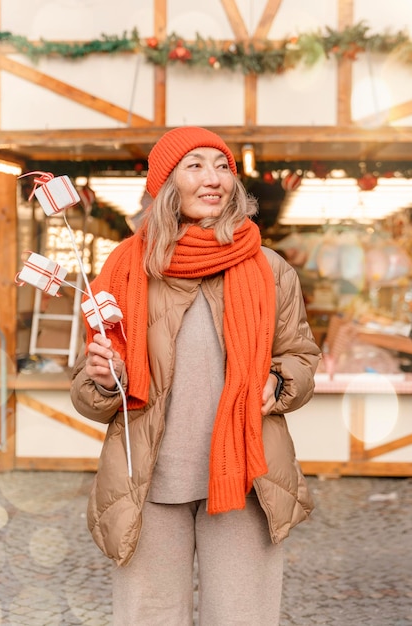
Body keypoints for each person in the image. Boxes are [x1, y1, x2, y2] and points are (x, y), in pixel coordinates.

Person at [70, 126, 321, 626]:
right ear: (167, 184)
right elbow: (88, 390)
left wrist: (279, 380)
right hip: (149, 482)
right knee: (150, 618)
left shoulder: (270, 269)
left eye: (223, 165)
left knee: (243, 618)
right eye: (196, 165)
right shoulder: (124, 269)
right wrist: (103, 376)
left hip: (244, 478)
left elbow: (301, 355)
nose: (214, 178)